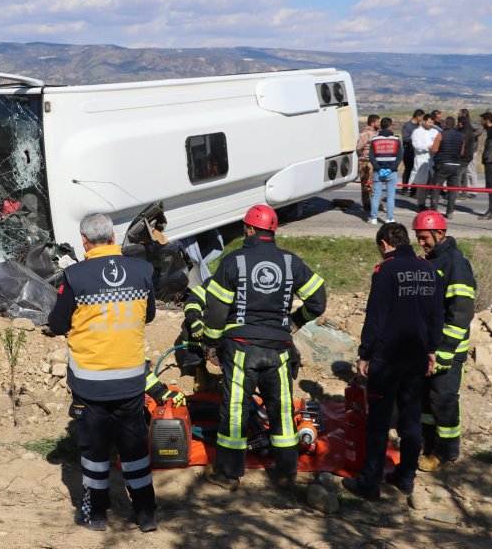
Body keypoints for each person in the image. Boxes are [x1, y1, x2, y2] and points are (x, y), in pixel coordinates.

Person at [47, 212, 180, 533]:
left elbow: (56, 324)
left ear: (84, 241)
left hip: (90, 386)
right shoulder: (141, 271)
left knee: (94, 453)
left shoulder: (74, 277)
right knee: (134, 448)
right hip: (130, 383)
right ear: (114, 237)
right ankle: (146, 513)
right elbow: (147, 316)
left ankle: (95, 514)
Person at [201, 204, 326, 492]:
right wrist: (294, 322)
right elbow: (318, 301)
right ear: (273, 231)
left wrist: (212, 343)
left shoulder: (234, 261)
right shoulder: (290, 262)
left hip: (242, 348)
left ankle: (228, 474)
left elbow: (217, 311)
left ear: (249, 229)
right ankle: (285, 472)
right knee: (281, 409)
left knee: (235, 411)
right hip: (279, 350)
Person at [341, 222, 443, 501]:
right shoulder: (429, 270)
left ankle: (369, 483)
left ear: (385, 244)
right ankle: (406, 477)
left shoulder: (385, 271)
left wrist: (364, 354)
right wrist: (432, 350)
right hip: (416, 356)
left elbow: (375, 317)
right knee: (411, 420)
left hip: (387, 358)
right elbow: (436, 315)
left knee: (378, 422)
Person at [412, 211, 477, 472]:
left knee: (444, 398)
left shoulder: (455, 264)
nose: (421, 243)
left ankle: (446, 452)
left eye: (425, 237)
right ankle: (428, 445)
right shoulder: (434, 260)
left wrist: (445, 351)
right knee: (426, 399)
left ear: (440, 233)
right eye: (418, 238)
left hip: (447, 350)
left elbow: (461, 312)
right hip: (429, 349)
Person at [173, 277, 213, 392]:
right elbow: (192, 302)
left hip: (240, 333)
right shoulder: (215, 281)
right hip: (218, 329)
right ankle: (200, 372)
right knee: (188, 326)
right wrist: (195, 320)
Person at [367, 117, 403, 225]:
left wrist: (378, 167)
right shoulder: (396, 140)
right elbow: (399, 156)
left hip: (378, 171)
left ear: (381, 126)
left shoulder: (374, 140)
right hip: (392, 172)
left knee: (376, 195)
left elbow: (371, 157)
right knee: (390, 196)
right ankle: (389, 218)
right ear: (390, 125)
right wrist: (392, 168)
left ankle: (373, 218)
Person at [427, 117, 465, 219]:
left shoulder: (441, 134)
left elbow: (434, 150)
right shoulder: (461, 136)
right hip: (456, 165)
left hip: (442, 164)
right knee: (452, 190)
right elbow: (462, 152)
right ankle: (450, 212)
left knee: (436, 188)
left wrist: (433, 148)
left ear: (446, 124)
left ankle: (434, 210)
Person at [409, 114, 439, 208]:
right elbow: (416, 145)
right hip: (421, 161)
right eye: (429, 122)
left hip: (433, 162)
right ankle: (421, 205)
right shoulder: (417, 132)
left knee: (434, 186)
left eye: (432, 122)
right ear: (424, 121)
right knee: (422, 186)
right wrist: (428, 147)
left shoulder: (435, 132)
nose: (431, 124)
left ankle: (433, 206)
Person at [356, 115, 381, 213]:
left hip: (375, 162)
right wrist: (364, 157)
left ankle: (377, 203)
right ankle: (367, 204)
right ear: (372, 122)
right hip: (366, 162)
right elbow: (359, 147)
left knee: (376, 183)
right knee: (366, 184)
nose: (379, 124)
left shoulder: (377, 133)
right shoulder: (365, 133)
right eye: (378, 122)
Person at [401, 110, 424, 196]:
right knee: (408, 170)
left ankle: (414, 191)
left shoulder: (420, 126)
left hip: (417, 152)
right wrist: (416, 138)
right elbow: (406, 138)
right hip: (408, 152)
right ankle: (405, 188)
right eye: (421, 117)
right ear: (418, 116)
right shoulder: (407, 126)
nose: (422, 119)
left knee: (416, 171)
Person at [458, 109, 480, 197]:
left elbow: (480, 129)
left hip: (471, 150)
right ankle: (463, 190)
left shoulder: (470, 123)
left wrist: (471, 136)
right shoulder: (462, 123)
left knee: (471, 171)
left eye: (459, 114)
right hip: (466, 151)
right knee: (464, 172)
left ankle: (474, 190)